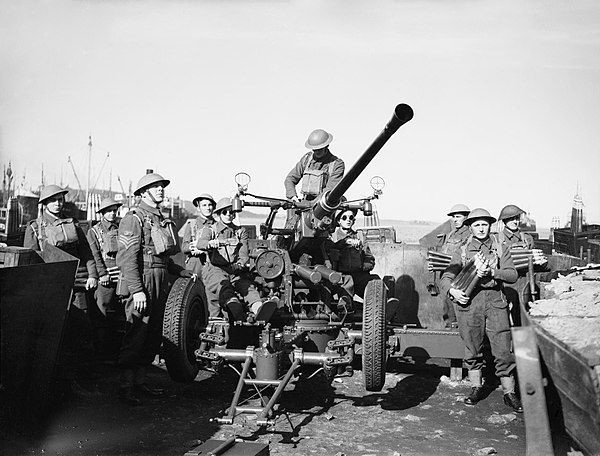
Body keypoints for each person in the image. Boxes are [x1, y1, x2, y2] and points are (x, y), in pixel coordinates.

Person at [116, 172, 194, 405]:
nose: (161, 189)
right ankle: (125, 387)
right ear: (143, 193)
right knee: (137, 332)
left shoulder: (160, 219)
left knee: (152, 335)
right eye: (155, 186)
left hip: (161, 279)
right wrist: (137, 289)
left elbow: (163, 259)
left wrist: (180, 271)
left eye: (162, 186)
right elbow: (127, 258)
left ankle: (140, 383)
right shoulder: (134, 218)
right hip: (143, 280)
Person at [440, 208, 523, 413]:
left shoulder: (499, 247)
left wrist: (493, 272)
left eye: (484, 224)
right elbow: (446, 277)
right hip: (470, 303)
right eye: (476, 224)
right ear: (470, 227)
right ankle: (476, 388)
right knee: (472, 347)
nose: (481, 228)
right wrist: (452, 292)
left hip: (495, 300)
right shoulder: (461, 250)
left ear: (490, 225)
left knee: (503, 348)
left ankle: (509, 393)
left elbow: (512, 275)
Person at [23, 184, 99, 396]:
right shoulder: (34, 228)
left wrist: (92, 275)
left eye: (60, 199)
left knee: (80, 329)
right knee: (53, 333)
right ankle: (52, 384)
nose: (58, 203)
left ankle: (73, 381)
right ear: (44, 203)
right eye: (53, 199)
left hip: (78, 284)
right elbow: (30, 260)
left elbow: (87, 253)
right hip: (51, 287)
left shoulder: (73, 223)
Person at [198, 197, 276, 323]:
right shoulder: (210, 230)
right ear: (218, 214)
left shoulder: (240, 231)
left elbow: (244, 255)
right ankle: (233, 305)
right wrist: (210, 244)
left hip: (234, 270)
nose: (228, 214)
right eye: (225, 212)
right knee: (224, 287)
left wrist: (239, 265)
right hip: (214, 269)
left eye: (231, 212)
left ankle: (258, 308)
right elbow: (200, 243)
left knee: (248, 287)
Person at [497, 204, 548, 326]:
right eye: (511, 219)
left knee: (523, 316)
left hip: (525, 282)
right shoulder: (497, 239)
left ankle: (522, 343)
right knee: (504, 317)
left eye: (517, 218)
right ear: (504, 220)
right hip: (506, 283)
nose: (515, 221)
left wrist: (540, 262)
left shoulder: (527, 238)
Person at [87, 197, 123, 363]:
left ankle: (115, 353)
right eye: (109, 211)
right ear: (101, 213)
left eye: (114, 210)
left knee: (120, 315)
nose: (112, 213)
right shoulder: (93, 231)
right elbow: (94, 255)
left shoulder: (120, 228)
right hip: (105, 278)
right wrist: (102, 274)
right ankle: (100, 355)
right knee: (102, 314)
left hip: (121, 276)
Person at [428, 204, 471, 327]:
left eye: (458, 216)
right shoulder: (451, 234)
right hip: (446, 276)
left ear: (466, 217)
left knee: (461, 311)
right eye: (453, 217)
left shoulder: (469, 235)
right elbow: (444, 254)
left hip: (461, 278)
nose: (455, 219)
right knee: (448, 310)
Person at [181, 193, 216, 276]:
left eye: (210, 205)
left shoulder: (217, 226)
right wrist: (193, 247)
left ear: (213, 207)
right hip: (195, 265)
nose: (208, 208)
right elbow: (184, 247)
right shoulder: (192, 225)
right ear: (198, 208)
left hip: (213, 265)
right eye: (204, 205)